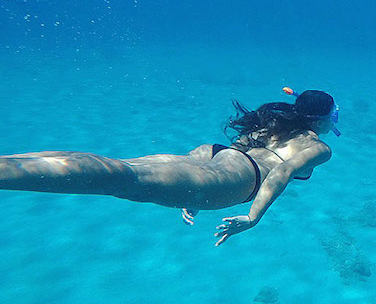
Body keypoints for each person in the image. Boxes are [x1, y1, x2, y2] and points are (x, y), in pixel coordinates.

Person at [0, 88, 339, 245]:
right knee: (120, 178)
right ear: (323, 119)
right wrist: (252, 217)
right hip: (232, 180)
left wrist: (197, 182)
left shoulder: (275, 125)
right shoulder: (317, 147)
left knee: (120, 170)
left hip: (212, 158)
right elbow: (280, 172)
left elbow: (226, 150)